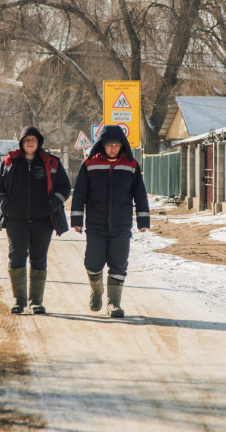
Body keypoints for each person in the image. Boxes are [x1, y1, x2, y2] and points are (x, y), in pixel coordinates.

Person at [70, 125, 149, 318]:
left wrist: (143, 219)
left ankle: (114, 303)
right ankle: (96, 290)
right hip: (96, 224)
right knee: (92, 263)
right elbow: (79, 193)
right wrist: (77, 219)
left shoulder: (131, 164)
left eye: (116, 145)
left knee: (119, 263)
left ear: (122, 146)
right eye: (109, 145)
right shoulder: (89, 164)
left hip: (121, 224)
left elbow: (140, 194)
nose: (113, 148)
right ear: (102, 145)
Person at [0, 126, 71, 314]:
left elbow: (65, 187)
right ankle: (18, 301)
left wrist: (51, 205)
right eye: (26, 140)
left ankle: (36, 302)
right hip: (15, 220)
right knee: (16, 258)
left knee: (38, 259)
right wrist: (5, 205)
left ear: (39, 142)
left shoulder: (50, 162)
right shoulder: (9, 161)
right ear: (21, 142)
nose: (30, 143)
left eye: (33, 140)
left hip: (43, 221)